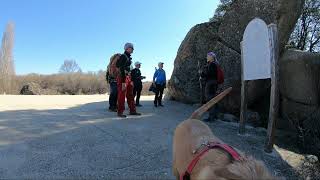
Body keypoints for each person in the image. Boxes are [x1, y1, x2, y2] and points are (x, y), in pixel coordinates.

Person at [116, 43, 141, 118]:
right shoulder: (123, 56)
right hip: (123, 78)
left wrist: (131, 80)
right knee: (122, 95)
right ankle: (120, 112)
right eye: (131, 48)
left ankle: (132, 111)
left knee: (130, 94)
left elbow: (130, 70)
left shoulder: (128, 57)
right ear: (127, 48)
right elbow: (121, 69)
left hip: (128, 78)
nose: (133, 49)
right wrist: (123, 82)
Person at [201, 52, 218, 122]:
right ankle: (213, 116)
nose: (206, 57)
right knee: (212, 99)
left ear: (211, 57)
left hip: (210, 83)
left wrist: (202, 74)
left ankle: (211, 118)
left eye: (208, 56)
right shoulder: (214, 64)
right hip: (213, 83)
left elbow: (209, 74)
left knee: (210, 100)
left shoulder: (212, 64)